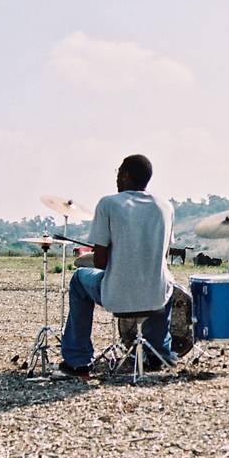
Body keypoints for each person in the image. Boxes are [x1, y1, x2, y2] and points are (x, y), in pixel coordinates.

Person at [59, 154, 176, 376]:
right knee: (167, 281)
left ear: (125, 175)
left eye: (119, 172)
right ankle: (158, 353)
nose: (116, 178)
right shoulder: (165, 206)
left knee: (79, 279)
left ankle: (77, 359)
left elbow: (100, 262)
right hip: (156, 297)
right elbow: (163, 255)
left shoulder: (108, 204)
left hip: (117, 296)